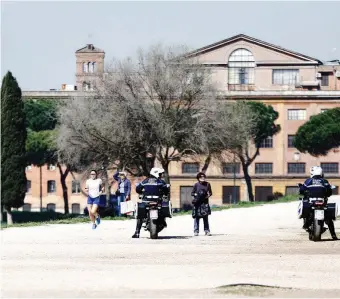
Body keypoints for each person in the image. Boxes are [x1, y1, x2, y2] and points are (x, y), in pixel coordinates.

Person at [299, 166, 338, 240]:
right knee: (329, 219)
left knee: (307, 214)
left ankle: (306, 226)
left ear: (312, 173)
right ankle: (333, 235)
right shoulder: (325, 181)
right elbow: (329, 192)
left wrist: (301, 188)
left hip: (312, 202)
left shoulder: (308, 181)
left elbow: (301, 190)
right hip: (322, 202)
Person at [132, 167, 169, 238]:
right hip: (157, 201)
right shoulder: (161, 182)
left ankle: (137, 232)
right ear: (156, 173)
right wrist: (165, 192)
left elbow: (138, 189)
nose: (161, 175)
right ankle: (163, 222)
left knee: (140, 215)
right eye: (160, 174)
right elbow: (166, 190)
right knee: (162, 211)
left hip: (146, 201)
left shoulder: (145, 181)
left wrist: (141, 192)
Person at [191, 172, 212, 236]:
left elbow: (210, 193)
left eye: (204, 177)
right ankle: (196, 231)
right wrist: (196, 195)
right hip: (197, 203)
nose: (203, 178)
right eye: (201, 177)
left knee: (205, 217)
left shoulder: (208, 184)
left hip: (204, 203)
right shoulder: (196, 185)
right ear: (198, 178)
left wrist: (207, 196)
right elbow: (192, 193)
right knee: (196, 217)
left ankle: (207, 231)